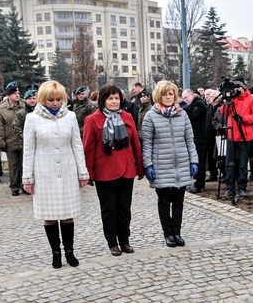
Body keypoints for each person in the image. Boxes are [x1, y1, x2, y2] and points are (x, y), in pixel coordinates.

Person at [22, 81, 90, 268]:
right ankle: (56, 252)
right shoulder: (32, 119)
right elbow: (28, 150)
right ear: (43, 99)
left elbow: (77, 145)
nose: (55, 103)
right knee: (49, 215)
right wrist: (27, 177)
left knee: (68, 214)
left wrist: (82, 172)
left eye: (58, 99)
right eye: (51, 100)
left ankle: (70, 251)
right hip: (44, 172)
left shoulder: (70, 117)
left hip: (67, 170)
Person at [83, 84, 144, 256]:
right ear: (103, 100)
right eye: (110, 98)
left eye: (117, 98)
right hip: (104, 173)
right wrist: (88, 173)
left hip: (126, 170)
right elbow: (88, 148)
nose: (114, 101)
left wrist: (140, 167)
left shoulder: (127, 117)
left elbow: (135, 144)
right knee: (109, 209)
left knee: (125, 208)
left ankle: (124, 240)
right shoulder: (92, 120)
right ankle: (112, 242)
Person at [140, 81, 199, 248]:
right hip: (161, 164)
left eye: (171, 94)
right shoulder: (151, 116)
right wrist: (148, 164)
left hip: (181, 163)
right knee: (165, 201)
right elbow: (147, 144)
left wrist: (193, 160)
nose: (168, 97)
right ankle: (168, 234)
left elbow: (189, 140)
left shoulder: (183, 115)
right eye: (165, 94)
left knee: (179, 201)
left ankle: (177, 232)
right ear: (159, 96)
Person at [219, 76, 253, 198]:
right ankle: (229, 188)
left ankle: (242, 187)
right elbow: (223, 112)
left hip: (245, 136)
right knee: (229, 163)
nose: (236, 89)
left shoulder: (251, 98)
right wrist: (227, 100)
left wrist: (243, 119)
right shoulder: (232, 98)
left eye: (238, 87)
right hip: (232, 135)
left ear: (244, 87)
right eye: (235, 87)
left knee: (243, 164)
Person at [0, 82, 26, 195]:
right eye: (14, 93)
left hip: (24, 139)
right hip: (11, 140)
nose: (17, 95)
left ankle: (25, 185)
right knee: (13, 166)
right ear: (8, 95)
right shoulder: (1, 109)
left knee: (25, 164)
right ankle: (14, 187)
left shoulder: (24, 105)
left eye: (18, 93)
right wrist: (1, 141)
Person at [182, 89, 209, 193]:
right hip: (196, 137)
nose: (185, 100)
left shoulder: (199, 104)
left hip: (200, 138)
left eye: (186, 97)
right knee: (197, 160)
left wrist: (184, 110)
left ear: (192, 95)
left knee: (200, 161)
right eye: (183, 98)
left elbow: (192, 117)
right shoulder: (193, 105)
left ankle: (200, 183)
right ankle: (197, 181)